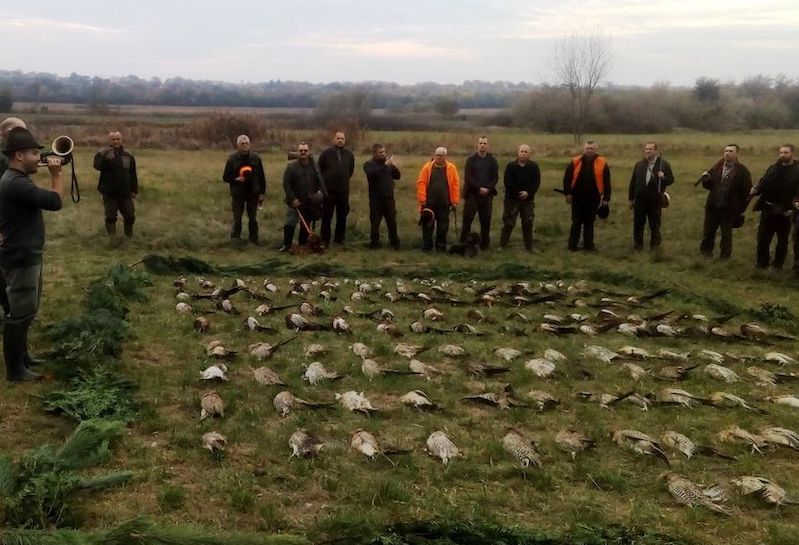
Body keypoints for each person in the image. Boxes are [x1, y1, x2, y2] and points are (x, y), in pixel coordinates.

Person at [0, 128, 63, 381]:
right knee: (20, 313)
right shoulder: (15, 183)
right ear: (18, 155)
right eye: (34, 153)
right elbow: (54, 202)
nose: (39, 157)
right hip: (20, 256)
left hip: (25, 253)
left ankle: (23, 358)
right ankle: (16, 370)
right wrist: (56, 174)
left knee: (27, 310)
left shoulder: (15, 179)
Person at [698, 144, 752, 259]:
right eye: (726, 151)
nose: (727, 153)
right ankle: (705, 255)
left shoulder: (743, 171)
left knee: (726, 235)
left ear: (737, 153)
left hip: (729, 209)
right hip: (712, 207)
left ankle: (724, 258)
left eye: (731, 151)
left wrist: (740, 209)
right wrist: (705, 180)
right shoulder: (717, 167)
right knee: (708, 233)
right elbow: (709, 186)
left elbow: (747, 193)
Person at [750, 144, 799, 269]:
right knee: (762, 239)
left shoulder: (797, 170)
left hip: (785, 211)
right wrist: (756, 189)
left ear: (792, 153)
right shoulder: (773, 168)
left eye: (786, 152)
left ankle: (777, 265)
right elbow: (764, 181)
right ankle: (761, 264)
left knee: (782, 242)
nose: (783, 155)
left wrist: (792, 210)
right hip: (768, 208)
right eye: (781, 152)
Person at [562, 141, 611, 251]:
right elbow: (567, 179)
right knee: (576, 222)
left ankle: (589, 246)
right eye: (587, 148)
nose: (589, 150)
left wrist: (606, 198)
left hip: (593, 198)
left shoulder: (602, 163)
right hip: (577, 197)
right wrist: (567, 193)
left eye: (591, 148)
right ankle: (572, 246)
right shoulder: (575, 161)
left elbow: (607, 181)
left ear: (596, 149)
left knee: (589, 222)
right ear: (584, 149)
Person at [628, 141, 675, 250]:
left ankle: (655, 247)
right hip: (640, 200)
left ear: (656, 151)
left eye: (650, 149)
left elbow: (671, 180)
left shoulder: (664, 165)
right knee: (638, 224)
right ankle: (638, 245)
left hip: (655, 200)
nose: (648, 151)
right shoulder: (639, 165)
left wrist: (663, 177)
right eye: (646, 149)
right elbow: (633, 182)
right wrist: (631, 199)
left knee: (655, 224)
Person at [280, 142, 326, 252]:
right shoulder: (291, 167)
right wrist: (292, 199)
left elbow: (319, 181)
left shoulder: (314, 167)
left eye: (305, 150)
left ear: (308, 152)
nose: (303, 152)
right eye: (301, 151)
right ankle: (286, 245)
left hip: (309, 201)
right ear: (297, 152)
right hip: (295, 202)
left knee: (306, 224)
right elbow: (286, 184)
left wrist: (319, 192)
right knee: (290, 222)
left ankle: (303, 244)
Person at [222, 134, 266, 244]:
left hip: (253, 193)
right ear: (238, 145)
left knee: (253, 217)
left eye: (246, 143)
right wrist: (236, 179)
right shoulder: (232, 159)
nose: (245, 145)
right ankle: (235, 239)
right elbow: (225, 177)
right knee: (237, 217)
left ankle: (254, 239)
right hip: (238, 193)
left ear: (250, 144)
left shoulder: (256, 158)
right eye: (242, 143)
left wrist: (262, 193)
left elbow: (262, 177)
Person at [93, 131, 138, 238]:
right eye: (113, 139)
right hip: (109, 192)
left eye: (118, 139)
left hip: (125, 192)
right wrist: (103, 156)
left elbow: (133, 173)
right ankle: (112, 239)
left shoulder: (128, 155)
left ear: (122, 140)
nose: (116, 141)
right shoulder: (104, 154)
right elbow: (97, 166)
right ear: (109, 141)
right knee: (111, 216)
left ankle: (129, 237)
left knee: (130, 216)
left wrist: (134, 190)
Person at [416, 147, 460, 252]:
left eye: (441, 155)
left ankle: (441, 247)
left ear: (446, 156)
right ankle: (427, 247)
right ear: (434, 155)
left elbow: (455, 185)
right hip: (429, 204)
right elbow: (420, 183)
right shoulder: (427, 167)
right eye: (437, 155)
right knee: (427, 227)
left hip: (444, 204)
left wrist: (454, 201)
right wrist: (422, 200)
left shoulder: (451, 168)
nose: (439, 158)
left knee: (443, 228)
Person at [317, 131, 354, 247]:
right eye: (338, 138)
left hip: (343, 191)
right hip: (329, 191)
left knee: (342, 216)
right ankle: (325, 240)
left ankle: (339, 239)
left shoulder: (349, 155)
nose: (340, 140)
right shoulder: (326, 154)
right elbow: (319, 170)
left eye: (342, 138)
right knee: (327, 216)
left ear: (345, 140)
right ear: (333, 140)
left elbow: (350, 171)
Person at [460, 136, 498, 249]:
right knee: (467, 219)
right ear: (477, 145)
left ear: (488, 145)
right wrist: (479, 189)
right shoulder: (470, 160)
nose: (482, 145)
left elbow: (495, 177)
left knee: (485, 220)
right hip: (472, 194)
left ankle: (484, 244)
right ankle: (464, 242)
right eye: (480, 143)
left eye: (485, 143)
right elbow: (468, 177)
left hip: (487, 195)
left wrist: (488, 189)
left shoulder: (492, 161)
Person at [500, 144, 540, 251]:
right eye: (522, 151)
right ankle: (503, 245)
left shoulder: (534, 167)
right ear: (518, 153)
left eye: (526, 152)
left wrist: (528, 193)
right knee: (508, 223)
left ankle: (529, 247)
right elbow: (507, 182)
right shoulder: (511, 166)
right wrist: (518, 193)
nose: (523, 154)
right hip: (512, 200)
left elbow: (536, 183)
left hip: (528, 201)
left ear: (529, 154)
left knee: (528, 223)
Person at [363, 144, 401, 250]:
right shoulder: (369, 164)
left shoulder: (387, 165)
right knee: (375, 223)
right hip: (376, 200)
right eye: (380, 152)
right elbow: (372, 174)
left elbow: (398, 176)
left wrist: (393, 166)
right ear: (375, 153)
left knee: (392, 222)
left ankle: (394, 243)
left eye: (384, 152)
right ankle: (374, 243)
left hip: (389, 199)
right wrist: (385, 165)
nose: (383, 154)